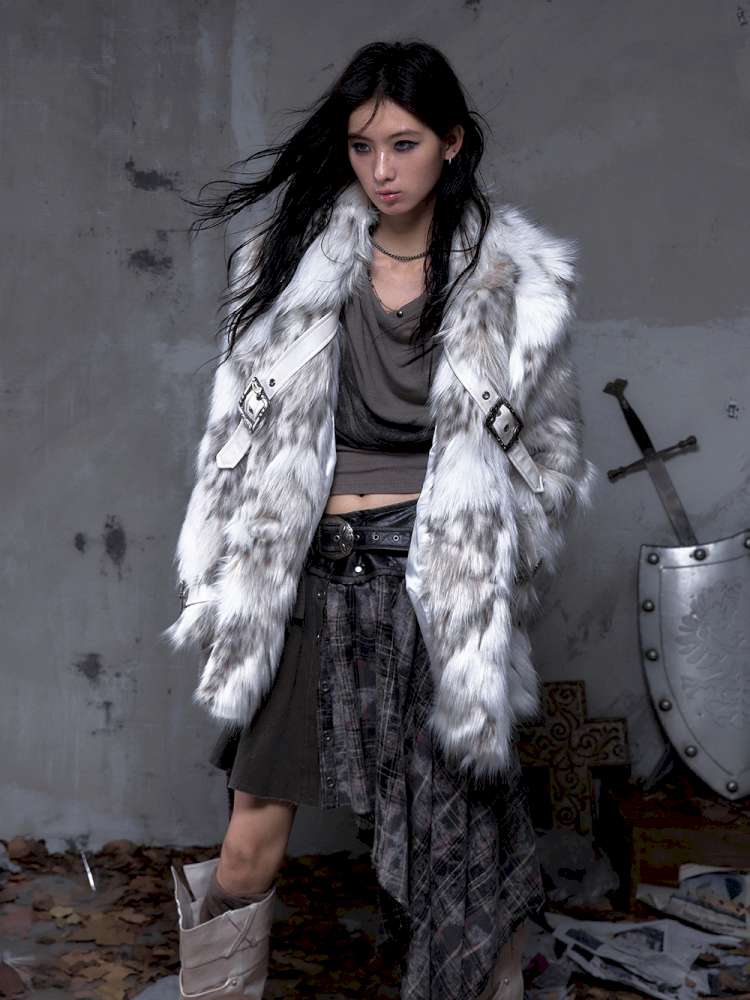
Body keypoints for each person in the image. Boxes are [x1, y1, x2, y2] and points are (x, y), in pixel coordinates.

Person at [164, 38, 595, 1000]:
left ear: (453, 141)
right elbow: (234, 434)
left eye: (404, 144)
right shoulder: (289, 266)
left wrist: (491, 580)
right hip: (309, 569)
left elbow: (551, 461)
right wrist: (227, 558)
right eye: (363, 147)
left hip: (432, 578)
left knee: (460, 852)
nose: (382, 170)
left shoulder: (514, 282)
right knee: (248, 847)